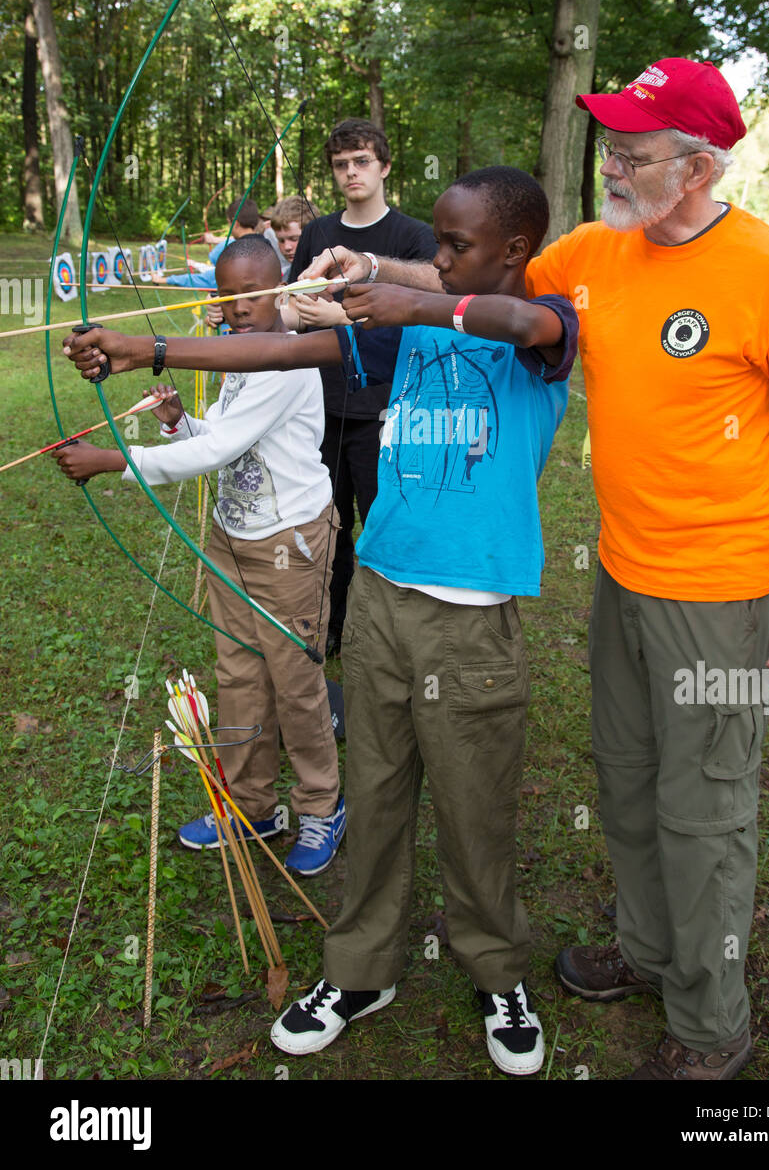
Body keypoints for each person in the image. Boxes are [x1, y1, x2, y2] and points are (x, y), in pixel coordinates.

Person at [62, 166, 579, 1077]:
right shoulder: (399, 334)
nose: (440, 258)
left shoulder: (544, 328)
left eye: (457, 247)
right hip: (378, 596)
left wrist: (404, 291)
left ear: (514, 251)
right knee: (375, 795)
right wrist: (150, 351)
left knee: (473, 807)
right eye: (439, 243)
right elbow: (277, 354)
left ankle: (497, 972)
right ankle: (360, 967)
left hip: (472, 620)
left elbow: (525, 322)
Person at [523, 58, 769, 1080]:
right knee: (626, 786)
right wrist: (367, 278)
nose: (612, 168)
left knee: (703, 810)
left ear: (700, 167)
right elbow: (489, 282)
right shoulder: (596, 250)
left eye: (634, 153)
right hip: (622, 576)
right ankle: (645, 948)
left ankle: (711, 1027)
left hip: (721, 595)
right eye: (611, 148)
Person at [55, 236, 346, 877]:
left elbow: (216, 455)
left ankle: (322, 804)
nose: (239, 309)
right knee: (239, 674)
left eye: (252, 296)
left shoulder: (288, 359)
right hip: (233, 538)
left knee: (296, 683)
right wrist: (179, 421)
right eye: (228, 296)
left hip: (287, 547)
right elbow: (217, 436)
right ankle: (253, 805)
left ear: (280, 291)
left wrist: (113, 461)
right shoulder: (235, 357)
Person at [290, 118, 438, 656]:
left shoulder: (413, 238)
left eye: (361, 162)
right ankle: (331, 622)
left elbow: (419, 322)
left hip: (386, 409)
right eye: (340, 164)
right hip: (320, 405)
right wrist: (290, 311)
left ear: (384, 167)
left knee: (381, 521)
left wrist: (342, 317)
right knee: (327, 523)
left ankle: (383, 631)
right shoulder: (316, 234)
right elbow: (293, 303)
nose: (351, 172)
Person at [157, 198, 261, 290]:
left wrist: (164, 280)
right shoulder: (266, 246)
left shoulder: (232, 251)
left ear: (236, 224)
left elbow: (206, 279)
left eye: (229, 223)